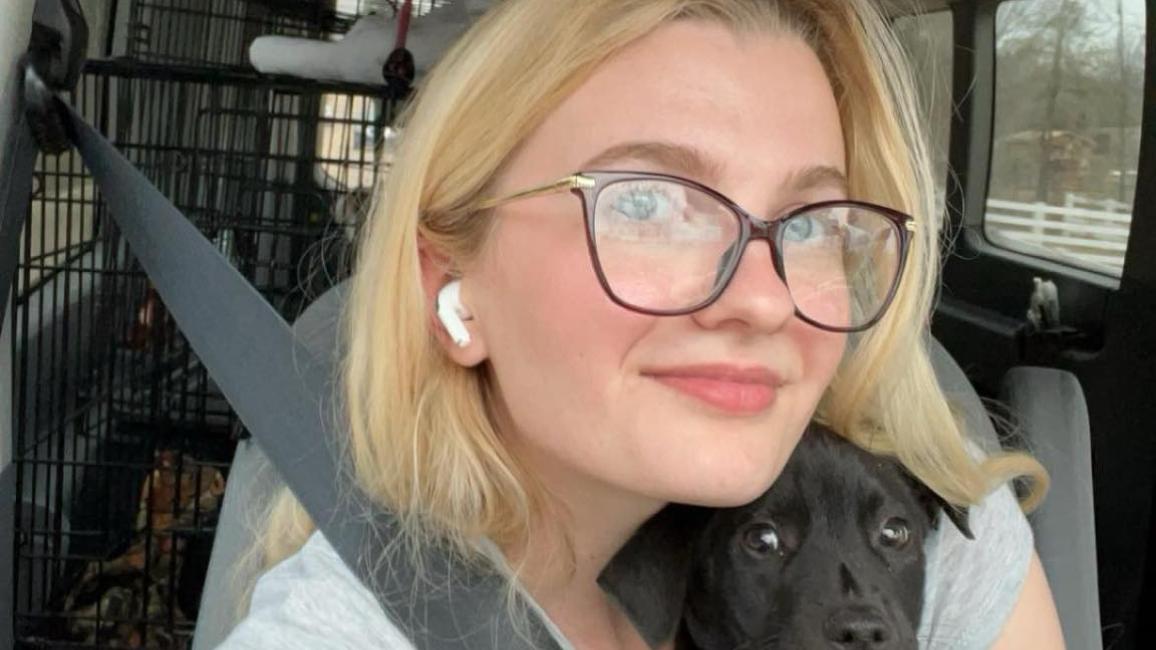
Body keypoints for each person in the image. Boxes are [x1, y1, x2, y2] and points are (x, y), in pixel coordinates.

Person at [218, 1, 1066, 648]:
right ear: (452, 281)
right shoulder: (345, 629)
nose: (763, 299)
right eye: (651, 204)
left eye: (810, 224)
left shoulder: (932, 529)